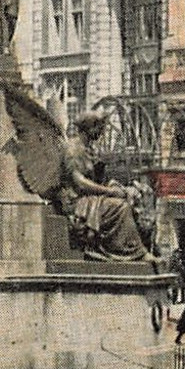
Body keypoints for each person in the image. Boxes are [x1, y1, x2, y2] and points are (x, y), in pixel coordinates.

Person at [59, 111, 156, 262]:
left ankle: (135, 248)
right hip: (77, 202)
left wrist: (119, 188)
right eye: (100, 128)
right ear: (90, 127)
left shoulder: (89, 149)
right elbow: (80, 182)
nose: (102, 132)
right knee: (120, 207)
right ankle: (136, 253)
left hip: (89, 198)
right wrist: (110, 191)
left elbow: (98, 180)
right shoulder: (72, 149)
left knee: (130, 199)